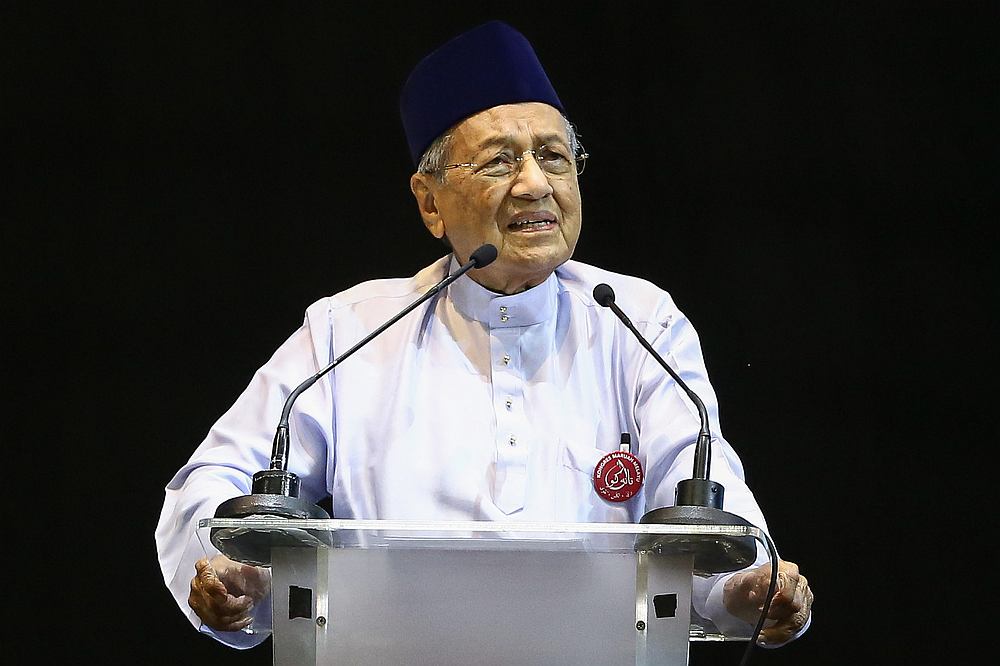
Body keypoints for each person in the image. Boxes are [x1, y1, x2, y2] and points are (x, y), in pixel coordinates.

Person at [156, 20, 813, 652]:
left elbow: (700, 482)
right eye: (500, 161)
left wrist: (748, 585)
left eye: (554, 156)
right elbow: (213, 478)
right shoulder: (347, 331)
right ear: (430, 202)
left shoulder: (638, 323)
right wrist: (225, 571)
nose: (536, 184)